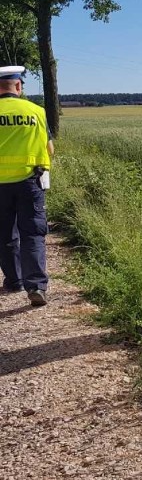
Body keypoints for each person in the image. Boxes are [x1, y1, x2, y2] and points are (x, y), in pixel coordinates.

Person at [0, 65, 54, 307]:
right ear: (19, 86)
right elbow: (49, 147)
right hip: (29, 182)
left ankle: (14, 280)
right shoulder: (37, 112)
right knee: (32, 233)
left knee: (4, 234)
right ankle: (37, 286)